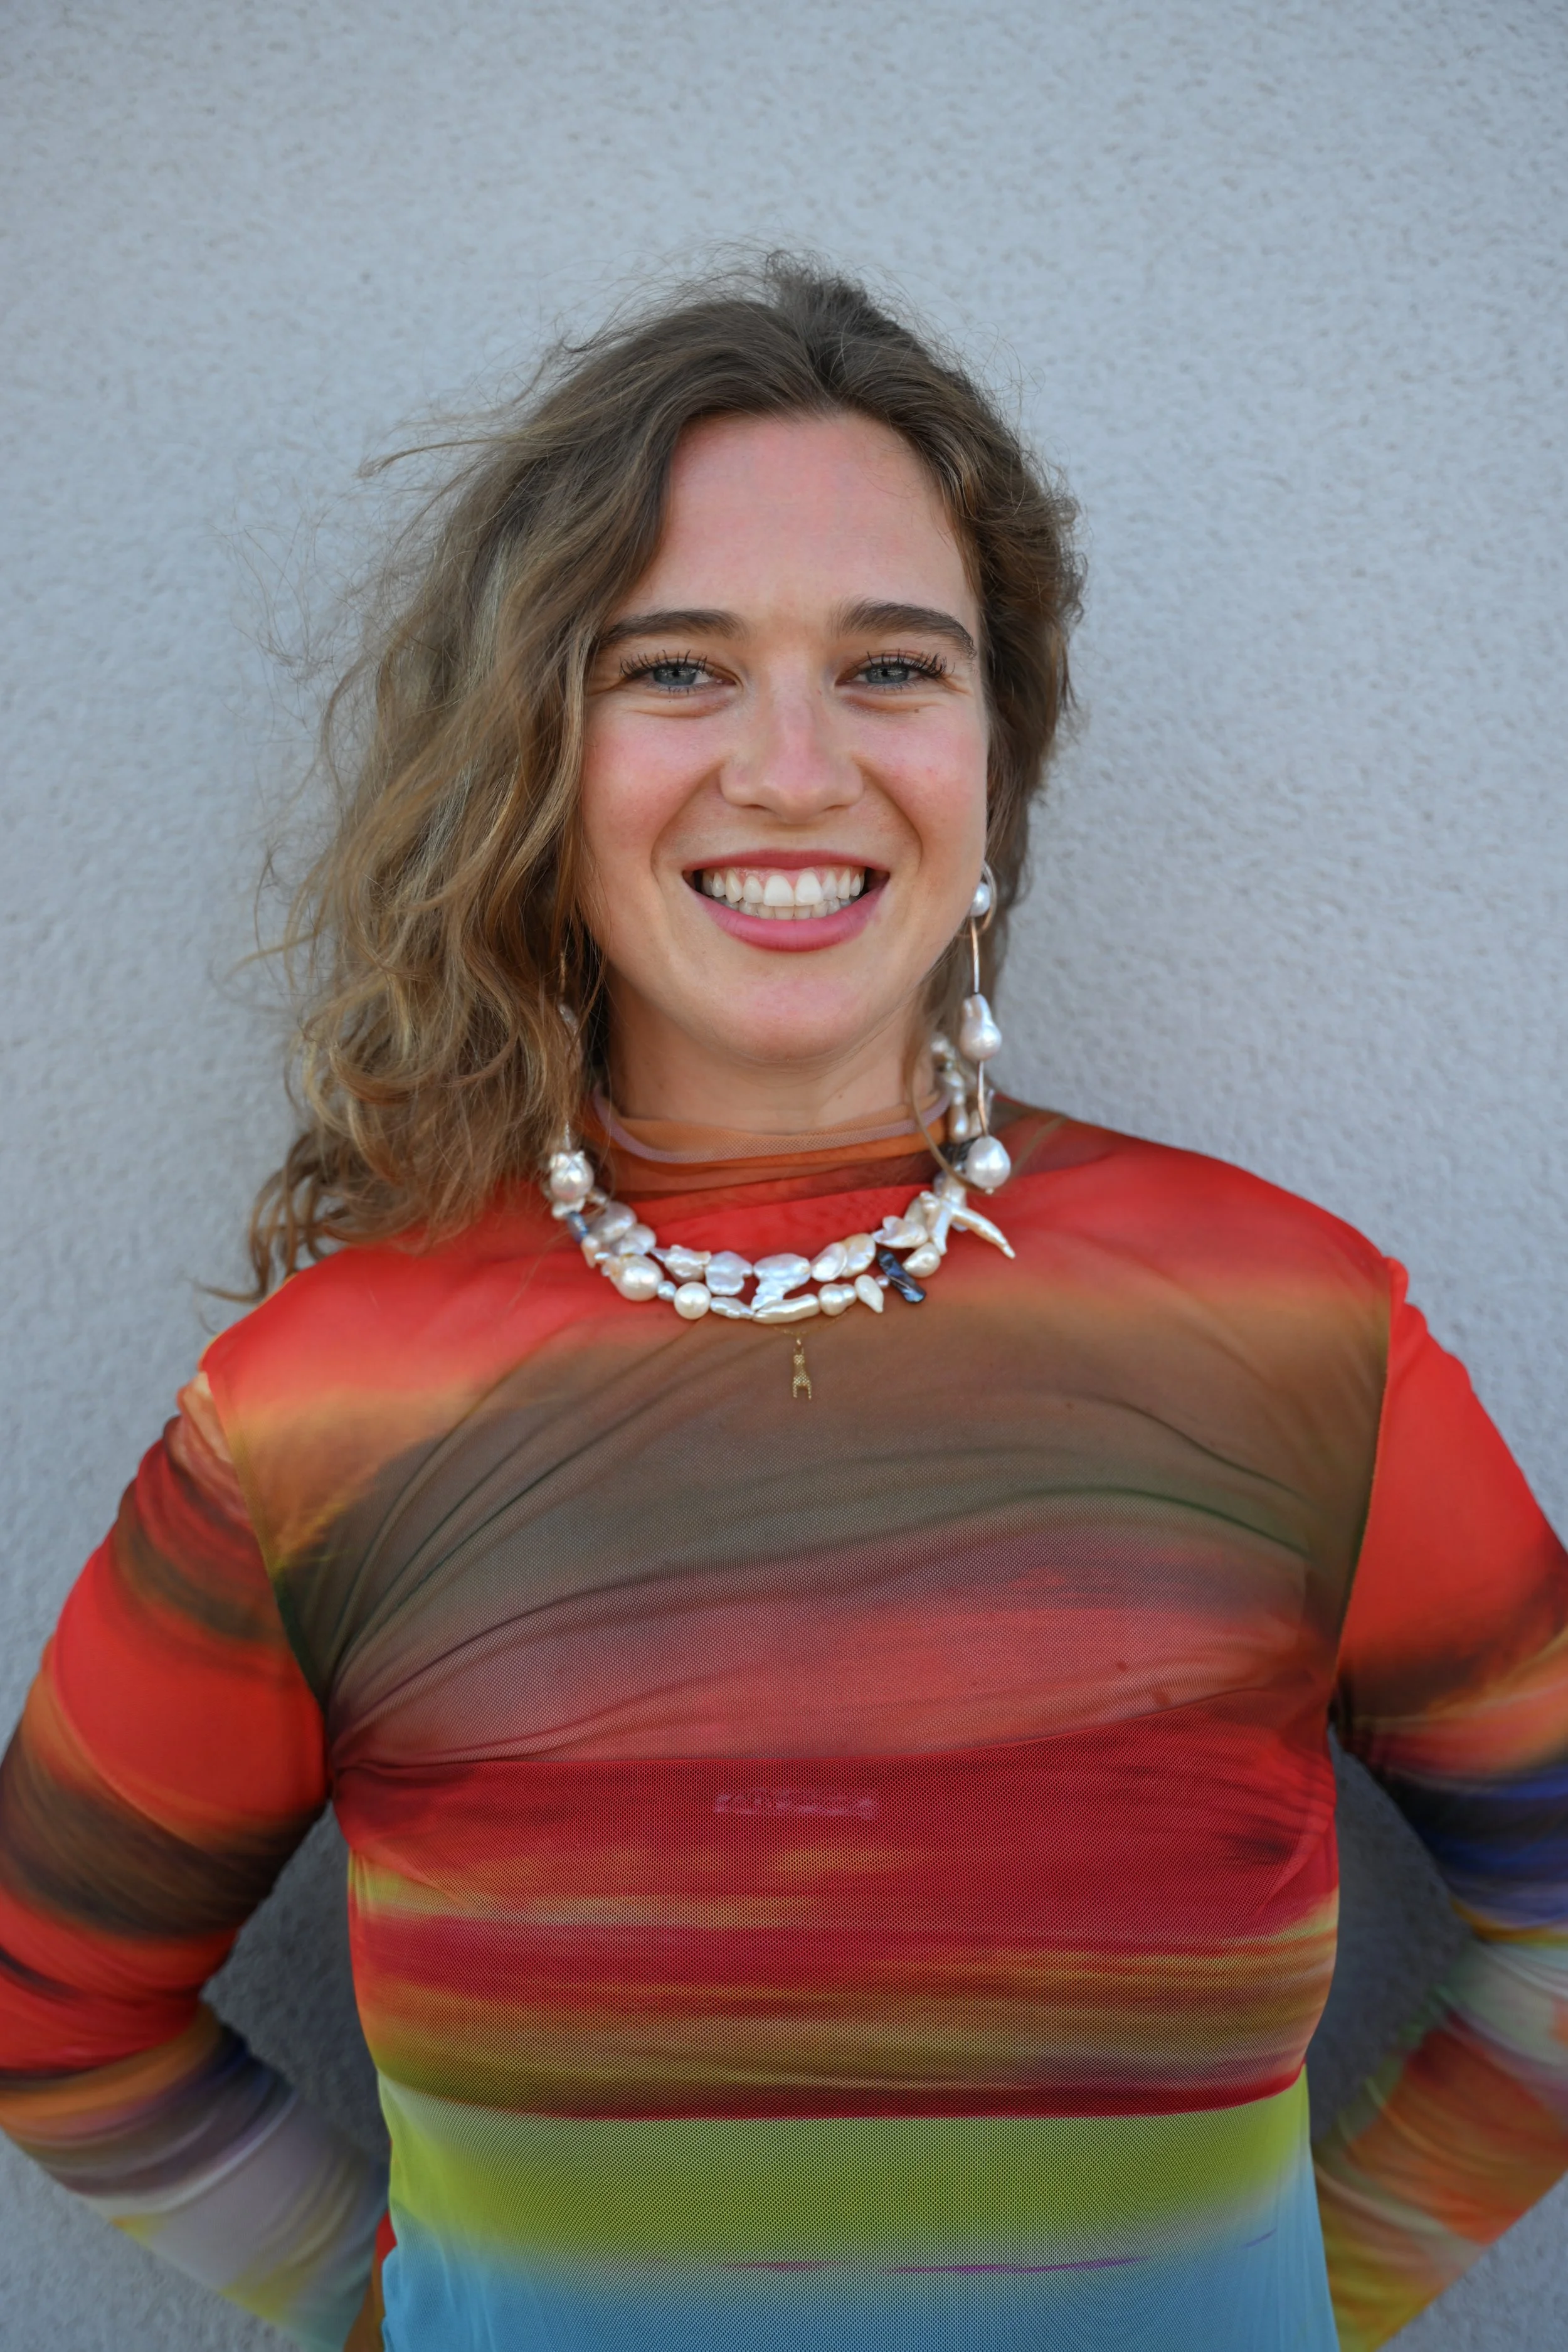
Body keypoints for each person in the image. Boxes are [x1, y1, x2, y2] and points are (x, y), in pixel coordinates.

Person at [1, 259, 1565, 2352]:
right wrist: (423, 2320)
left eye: (891, 664)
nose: (795, 766)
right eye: (677, 668)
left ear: (994, 754)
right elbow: (52, 2010)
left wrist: (1304, 2299)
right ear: (542, 755)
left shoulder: (1291, 1328)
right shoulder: (321, 1413)